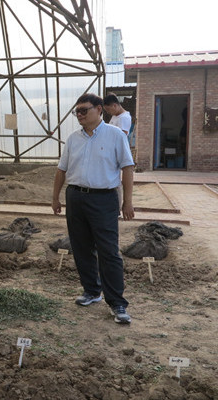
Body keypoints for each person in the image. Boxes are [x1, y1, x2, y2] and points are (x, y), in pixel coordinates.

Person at [51, 93, 135, 324]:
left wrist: (128, 201)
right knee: (81, 247)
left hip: (104, 199)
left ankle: (117, 302)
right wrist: (55, 198)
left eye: (84, 110)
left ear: (99, 110)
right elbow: (61, 170)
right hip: (75, 197)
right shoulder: (73, 139)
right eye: (76, 111)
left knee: (109, 251)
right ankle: (91, 291)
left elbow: (127, 168)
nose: (79, 115)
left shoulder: (115, 135)